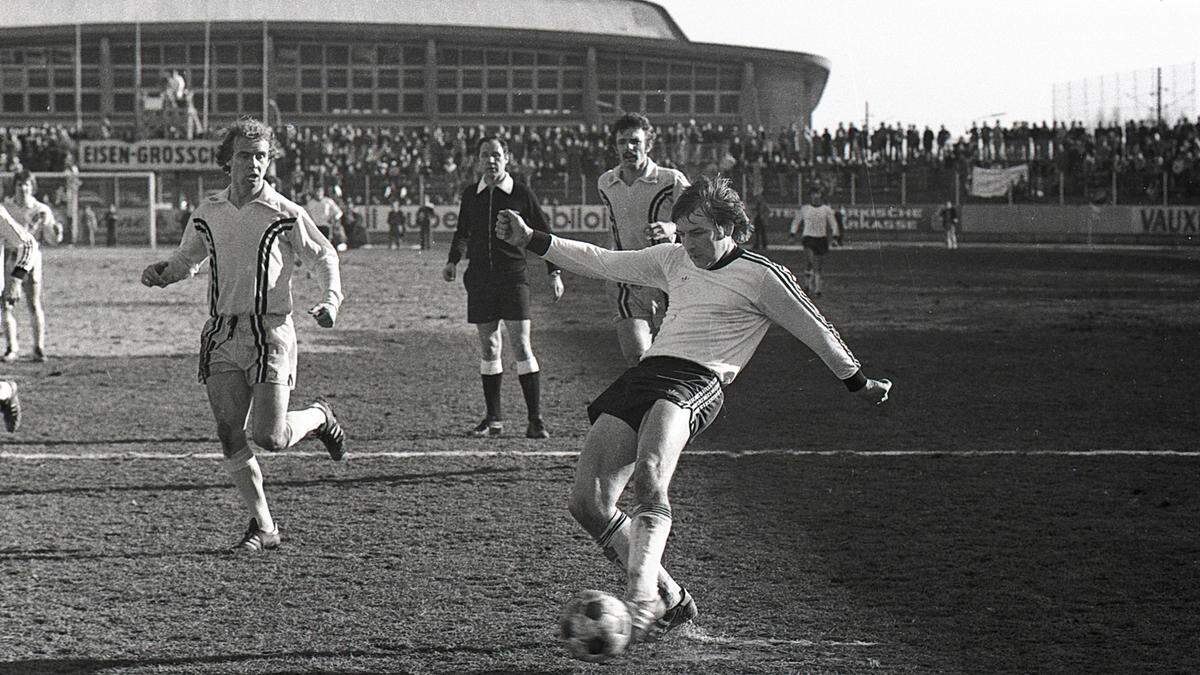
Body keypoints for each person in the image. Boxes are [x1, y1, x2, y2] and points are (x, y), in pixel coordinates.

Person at [493, 174, 892, 643]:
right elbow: (603, 261)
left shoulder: (761, 276)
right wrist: (534, 240)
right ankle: (671, 596)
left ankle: (640, 598)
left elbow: (816, 330)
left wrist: (858, 382)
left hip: (697, 380)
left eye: (698, 232)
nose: (688, 243)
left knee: (649, 475)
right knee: (588, 503)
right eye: (682, 233)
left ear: (727, 227)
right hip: (645, 375)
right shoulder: (672, 259)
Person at [140, 116, 346, 552]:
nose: (253, 164)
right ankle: (265, 526)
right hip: (221, 333)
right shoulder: (208, 212)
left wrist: (331, 300)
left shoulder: (285, 213)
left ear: (268, 161)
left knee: (270, 438)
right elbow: (186, 260)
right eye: (244, 156)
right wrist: (164, 274)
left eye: (260, 156)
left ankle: (319, 417)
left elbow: (325, 255)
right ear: (227, 161)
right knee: (228, 431)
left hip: (270, 331)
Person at [442, 137, 564, 440]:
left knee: (522, 345)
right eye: (485, 155)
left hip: (513, 277)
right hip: (480, 279)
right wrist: (452, 261)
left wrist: (554, 272)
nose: (491, 160)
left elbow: (544, 233)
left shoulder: (521, 193)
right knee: (490, 347)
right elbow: (462, 232)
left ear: (507, 158)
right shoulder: (472, 194)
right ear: (477, 161)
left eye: (496, 155)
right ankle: (493, 419)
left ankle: (535, 420)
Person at [597, 113, 690, 365]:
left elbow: (697, 221)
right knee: (637, 359)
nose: (628, 147)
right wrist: (608, 269)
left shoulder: (671, 180)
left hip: (668, 277)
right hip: (628, 280)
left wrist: (671, 228)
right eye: (622, 142)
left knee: (674, 359)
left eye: (635, 141)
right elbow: (615, 227)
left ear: (648, 144)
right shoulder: (606, 182)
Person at [2, 170, 58, 362]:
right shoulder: (7, 207)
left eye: (26, 184)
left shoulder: (41, 209)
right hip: (10, 258)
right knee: (7, 304)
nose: (23, 188)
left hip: (32, 260)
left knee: (33, 303)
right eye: (19, 184)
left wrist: (56, 232)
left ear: (32, 186)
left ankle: (38, 347)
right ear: (15, 186)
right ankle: (11, 348)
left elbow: (51, 238)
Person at [790, 192, 838, 296]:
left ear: (821, 197)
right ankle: (808, 286)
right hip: (808, 238)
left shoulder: (826, 209)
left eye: (818, 196)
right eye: (813, 195)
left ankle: (817, 289)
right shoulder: (805, 209)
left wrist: (835, 237)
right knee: (810, 261)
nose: (815, 198)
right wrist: (792, 234)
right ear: (811, 197)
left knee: (818, 265)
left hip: (821, 238)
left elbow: (833, 224)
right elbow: (796, 221)